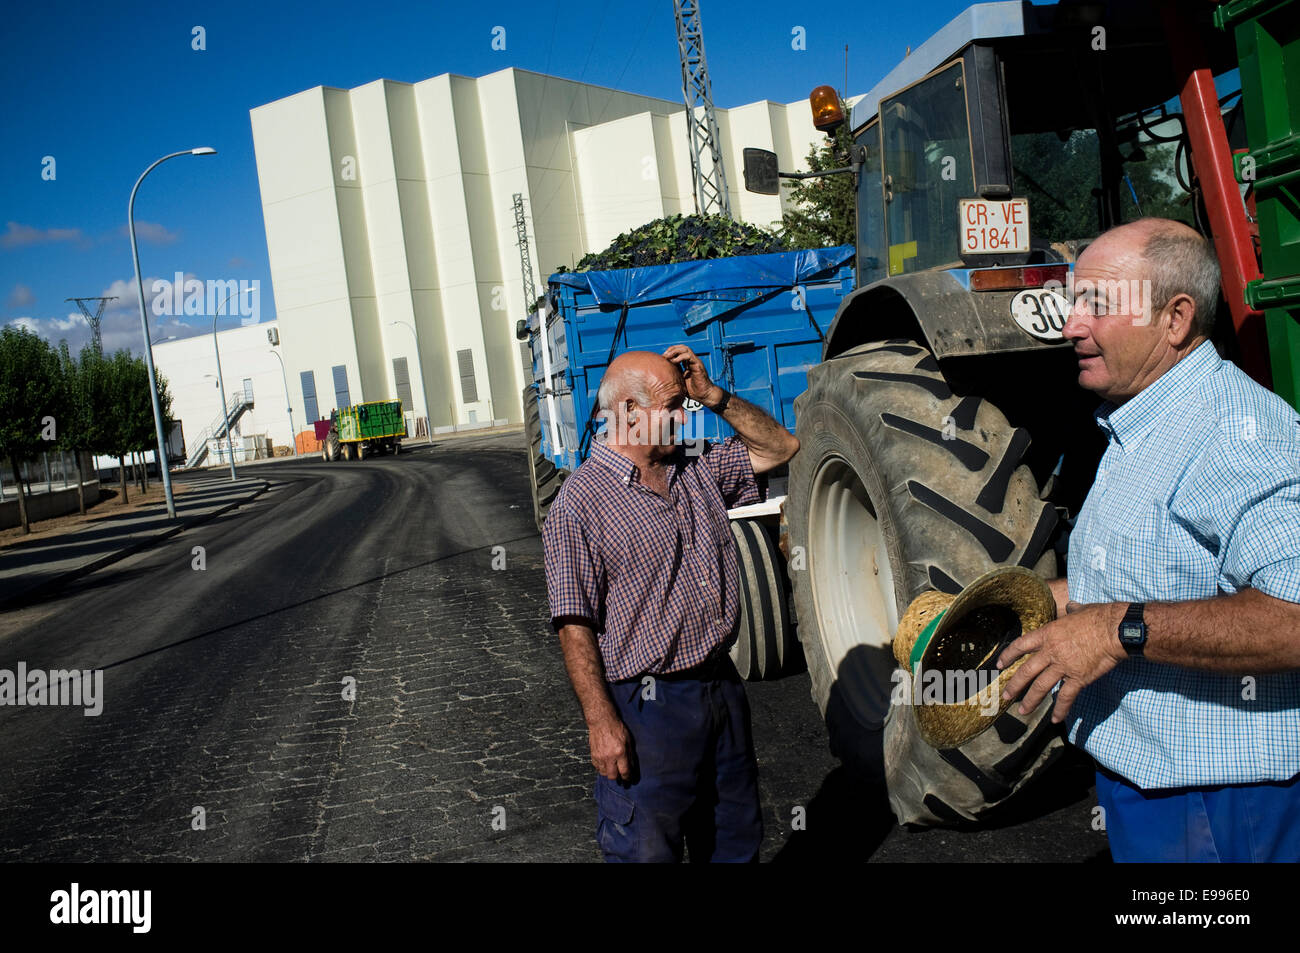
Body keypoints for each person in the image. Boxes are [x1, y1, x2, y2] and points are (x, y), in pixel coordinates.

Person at [996, 217, 1300, 862]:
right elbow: (1158, 571)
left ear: (1175, 318)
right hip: (1156, 785)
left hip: (1223, 801)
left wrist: (1113, 630)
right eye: (1073, 302)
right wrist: (1022, 605)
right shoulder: (1145, 421)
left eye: (1096, 305)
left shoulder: (1237, 435)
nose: (1071, 326)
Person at [543, 344, 799, 862]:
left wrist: (714, 396)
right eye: (673, 407)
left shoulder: (696, 469)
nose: (685, 417)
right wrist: (601, 723)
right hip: (646, 707)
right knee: (647, 850)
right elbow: (575, 626)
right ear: (631, 413)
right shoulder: (579, 505)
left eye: (686, 405)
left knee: (734, 841)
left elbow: (781, 447)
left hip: (720, 688)